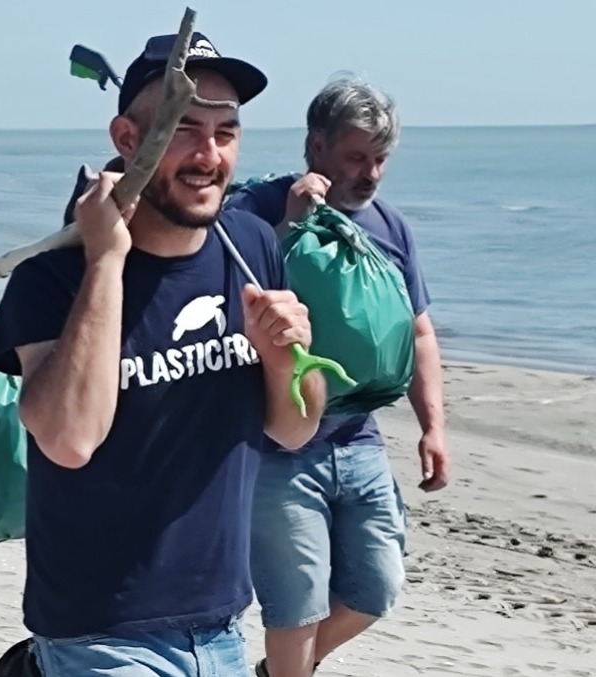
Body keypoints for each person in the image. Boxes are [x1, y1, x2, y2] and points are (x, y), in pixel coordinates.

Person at [0, 31, 328, 676]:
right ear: (126, 139)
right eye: (184, 128)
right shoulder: (52, 280)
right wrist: (106, 260)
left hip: (222, 626)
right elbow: (68, 439)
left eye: (226, 132)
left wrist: (285, 358)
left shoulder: (251, 246)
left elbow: (294, 428)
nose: (208, 155)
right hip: (99, 633)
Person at [222, 74, 451, 677]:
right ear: (316, 145)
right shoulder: (253, 210)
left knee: (378, 584)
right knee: (295, 605)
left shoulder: (390, 228)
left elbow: (419, 331)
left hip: (360, 441)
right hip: (278, 448)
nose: (371, 173)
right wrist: (291, 227)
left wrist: (434, 428)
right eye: (356, 156)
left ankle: (274, 673)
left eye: (380, 159)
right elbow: (220, 300)